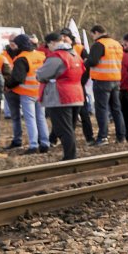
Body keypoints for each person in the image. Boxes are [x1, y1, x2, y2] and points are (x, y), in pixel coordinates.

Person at [34, 32, 86, 160]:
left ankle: (70, 157)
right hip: (76, 95)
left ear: (52, 43)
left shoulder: (57, 56)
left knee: (63, 129)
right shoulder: (74, 55)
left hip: (60, 96)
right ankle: (71, 156)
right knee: (70, 128)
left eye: (48, 45)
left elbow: (41, 75)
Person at [6, 33, 51, 153]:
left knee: (30, 119)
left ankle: (33, 145)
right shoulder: (40, 55)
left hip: (27, 93)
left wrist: (8, 86)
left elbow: (17, 78)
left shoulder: (21, 58)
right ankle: (45, 143)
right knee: (41, 118)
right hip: (40, 91)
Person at [85, 25, 127, 145]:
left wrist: (85, 62)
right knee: (116, 109)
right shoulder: (116, 44)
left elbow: (93, 61)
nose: (92, 37)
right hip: (115, 79)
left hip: (102, 80)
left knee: (102, 109)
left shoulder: (99, 44)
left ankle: (103, 137)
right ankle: (121, 136)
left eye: (92, 35)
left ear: (97, 32)